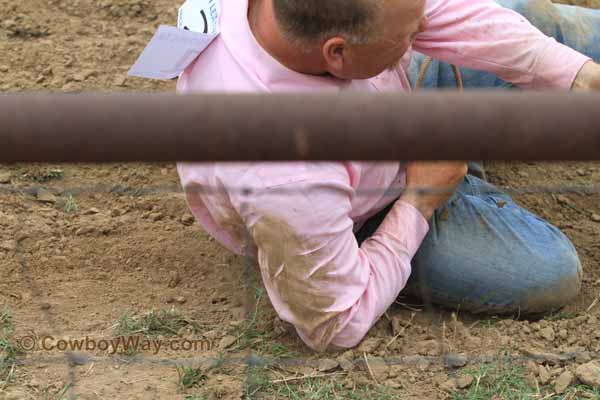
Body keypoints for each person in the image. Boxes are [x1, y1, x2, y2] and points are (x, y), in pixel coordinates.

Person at [176, 0, 600, 352]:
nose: (419, 36)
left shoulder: (320, 25)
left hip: (381, 108)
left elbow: (431, 11)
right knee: (550, 271)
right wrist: (420, 200)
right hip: (356, 211)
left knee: (530, 22)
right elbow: (335, 323)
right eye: (407, 37)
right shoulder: (284, 175)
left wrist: (577, 77)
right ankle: (453, 178)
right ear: (336, 53)